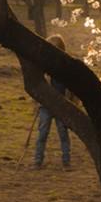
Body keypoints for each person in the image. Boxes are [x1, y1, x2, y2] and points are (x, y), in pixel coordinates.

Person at [33, 34, 73, 170]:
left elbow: (68, 87)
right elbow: (37, 82)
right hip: (46, 105)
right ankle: (38, 160)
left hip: (61, 105)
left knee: (63, 133)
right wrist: (38, 100)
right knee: (42, 132)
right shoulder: (43, 65)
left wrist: (67, 102)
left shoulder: (65, 66)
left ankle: (66, 161)